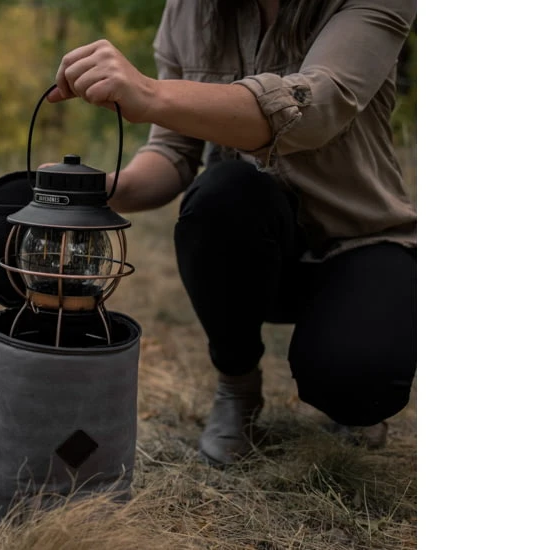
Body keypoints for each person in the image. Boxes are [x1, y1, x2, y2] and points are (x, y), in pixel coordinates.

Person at [47, 0, 417, 465]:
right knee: (221, 193)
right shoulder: (188, 10)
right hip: (253, 250)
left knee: (358, 384)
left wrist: (150, 93)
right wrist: (100, 190)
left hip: (360, 241)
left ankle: (347, 378)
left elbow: (317, 107)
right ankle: (237, 386)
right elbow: (173, 151)